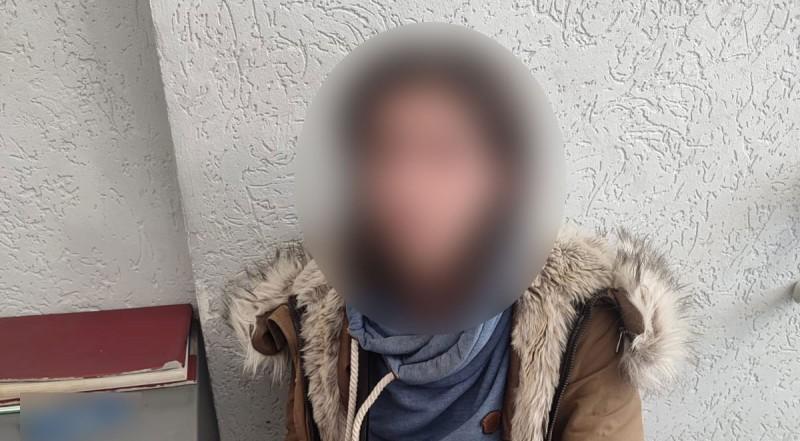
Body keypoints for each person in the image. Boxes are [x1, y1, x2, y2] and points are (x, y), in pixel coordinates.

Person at [226, 33, 687, 441]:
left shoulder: (584, 320)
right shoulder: (316, 314)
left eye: (443, 154)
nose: (406, 188)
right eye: (384, 153)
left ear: (501, 179)